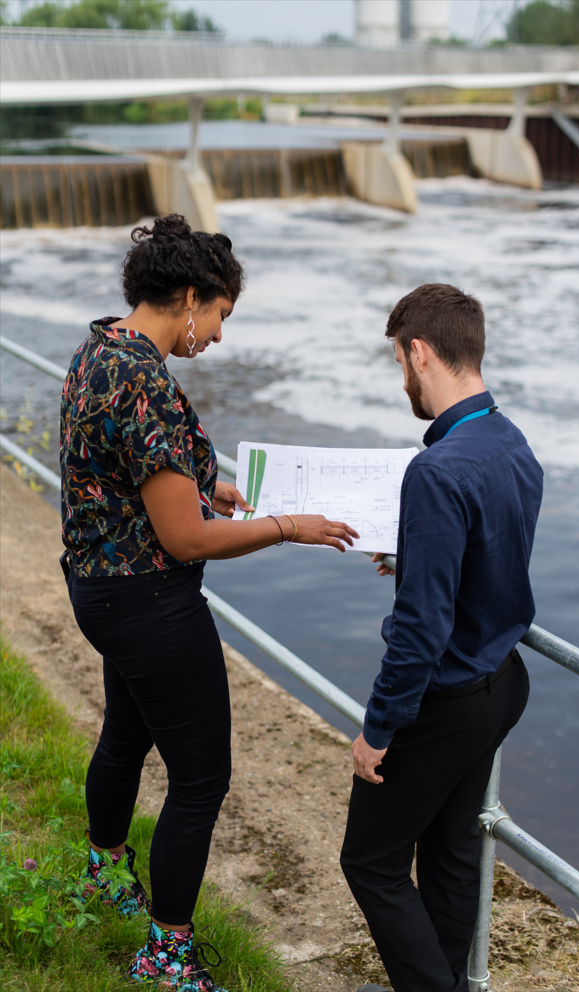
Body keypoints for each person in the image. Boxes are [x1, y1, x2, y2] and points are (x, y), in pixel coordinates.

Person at [60, 213, 358, 992]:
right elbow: (187, 540)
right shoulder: (148, 382)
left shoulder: (102, 349)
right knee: (200, 782)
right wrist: (286, 525)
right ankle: (166, 957)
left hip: (99, 588)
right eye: (221, 315)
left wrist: (208, 483)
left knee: (124, 738)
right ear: (191, 296)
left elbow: (118, 472)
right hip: (152, 601)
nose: (219, 336)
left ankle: (103, 874)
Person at [340, 284, 544, 992]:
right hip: (502, 682)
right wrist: (415, 555)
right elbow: (492, 553)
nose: (402, 378)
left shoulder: (435, 470)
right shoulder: (511, 443)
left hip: (445, 699)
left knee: (369, 861)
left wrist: (379, 729)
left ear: (418, 352)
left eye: (399, 360)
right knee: (453, 853)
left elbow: (420, 633)